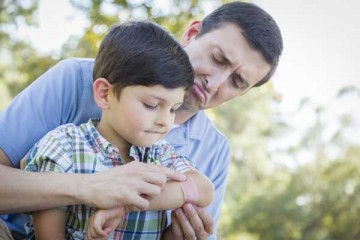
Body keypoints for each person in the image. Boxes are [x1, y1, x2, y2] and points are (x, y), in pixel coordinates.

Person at [0, 1, 283, 239]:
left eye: (237, 81)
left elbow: (197, 199)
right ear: (192, 33)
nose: (215, 82)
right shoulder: (75, 80)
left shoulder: (213, 151)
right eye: (218, 58)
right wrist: (88, 188)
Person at [22, 21, 215, 240]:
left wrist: (125, 205)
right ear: (105, 94)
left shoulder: (161, 154)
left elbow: (204, 189)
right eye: (151, 105)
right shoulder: (63, 147)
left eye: (173, 109)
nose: (165, 122)